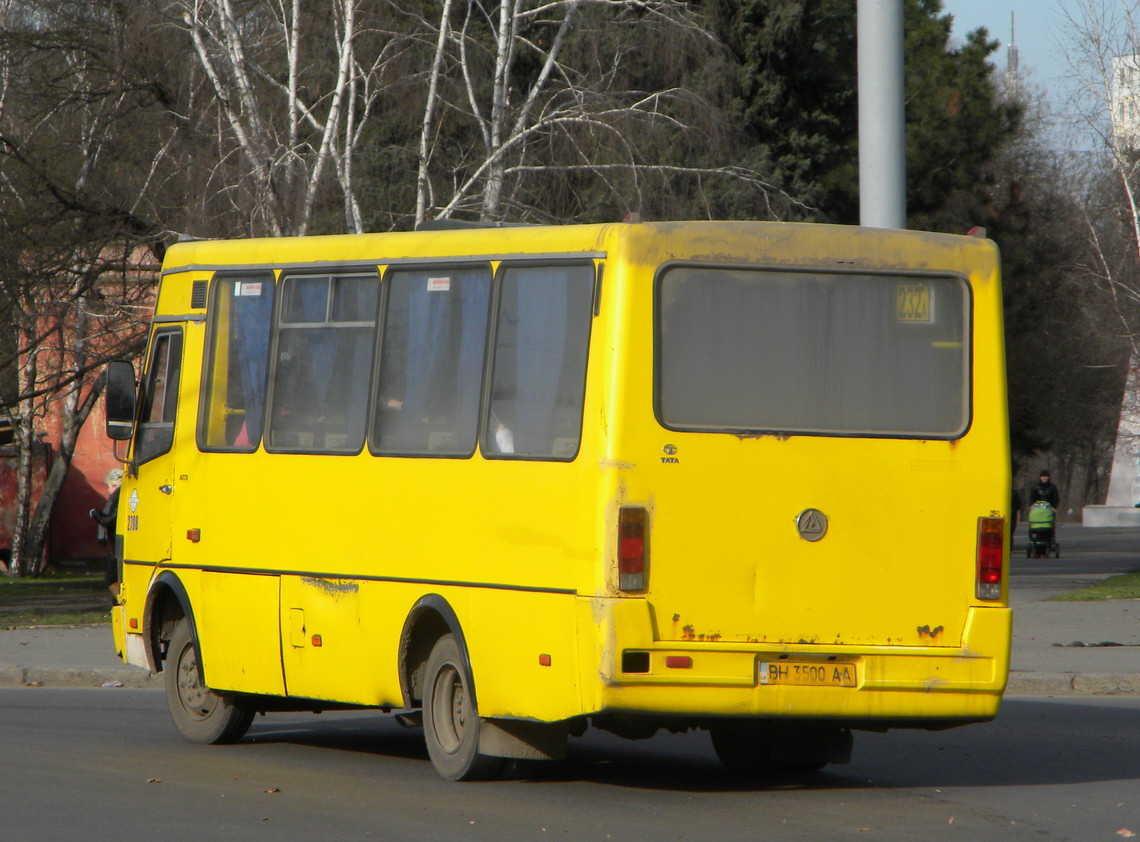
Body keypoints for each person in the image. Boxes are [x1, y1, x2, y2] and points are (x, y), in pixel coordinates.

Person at [89, 468, 122, 593]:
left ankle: (120, 604)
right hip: (117, 546)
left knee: (111, 579)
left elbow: (109, 520)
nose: (108, 490)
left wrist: (95, 514)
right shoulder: (119, 496)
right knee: (115, 578)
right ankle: (118, 605)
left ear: (115, 484)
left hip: (119, 546)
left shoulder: (118, 497)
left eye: (109, 486)